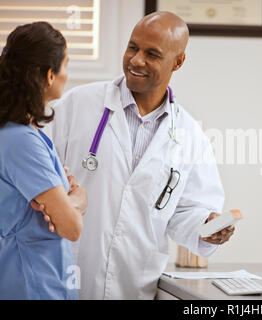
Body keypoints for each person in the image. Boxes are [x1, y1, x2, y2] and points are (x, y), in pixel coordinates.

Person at [40, 12, 234, 300]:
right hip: (65, 276)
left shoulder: (190, 135)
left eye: (152, 54)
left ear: (178, 62)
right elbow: (36, 177)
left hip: (134, 285)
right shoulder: (78, 105)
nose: (136, 60)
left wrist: (207, 228)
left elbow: (186, 213)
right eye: (133, 47)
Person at [0, 22, 88, 299]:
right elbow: (71, 227)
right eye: (65, 66)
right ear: (50, 75)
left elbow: (60, 209)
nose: (67, 75)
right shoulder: (20, 140)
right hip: (32, 284)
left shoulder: (24, 133)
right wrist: (75, 202)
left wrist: (67, 202)